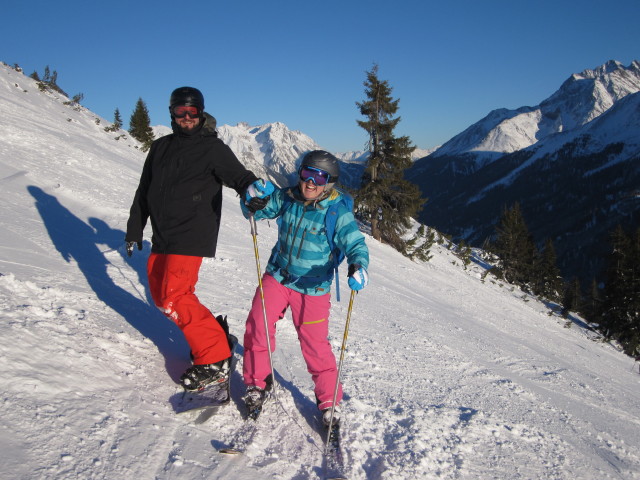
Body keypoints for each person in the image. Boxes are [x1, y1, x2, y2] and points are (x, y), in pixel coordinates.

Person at [125, 86, 266, 391]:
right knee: (162, 297)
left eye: (193, 112)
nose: (187, 118)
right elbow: (144, 189)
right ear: (172, 113)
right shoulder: (160, 147)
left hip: (192, 232)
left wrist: (251, 189)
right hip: (163, 233)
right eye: (181, 112)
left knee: (176, 296)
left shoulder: (211, 148)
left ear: (201, 114)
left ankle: (214, 357)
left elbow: (239, 176)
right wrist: (135, 227)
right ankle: (213, 333)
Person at [241, 150, 370, 426]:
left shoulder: (336, 211)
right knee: (258, 325)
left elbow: (355, 243)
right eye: (307, 174)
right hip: (278, 275)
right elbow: (256, 209)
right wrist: (251, 199)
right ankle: (256, 383)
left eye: (320, 177)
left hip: (313, 287)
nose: (311, 183)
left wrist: (359, 265)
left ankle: (329, 403)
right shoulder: (287, 197)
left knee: (315, 345)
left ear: (330, 182)